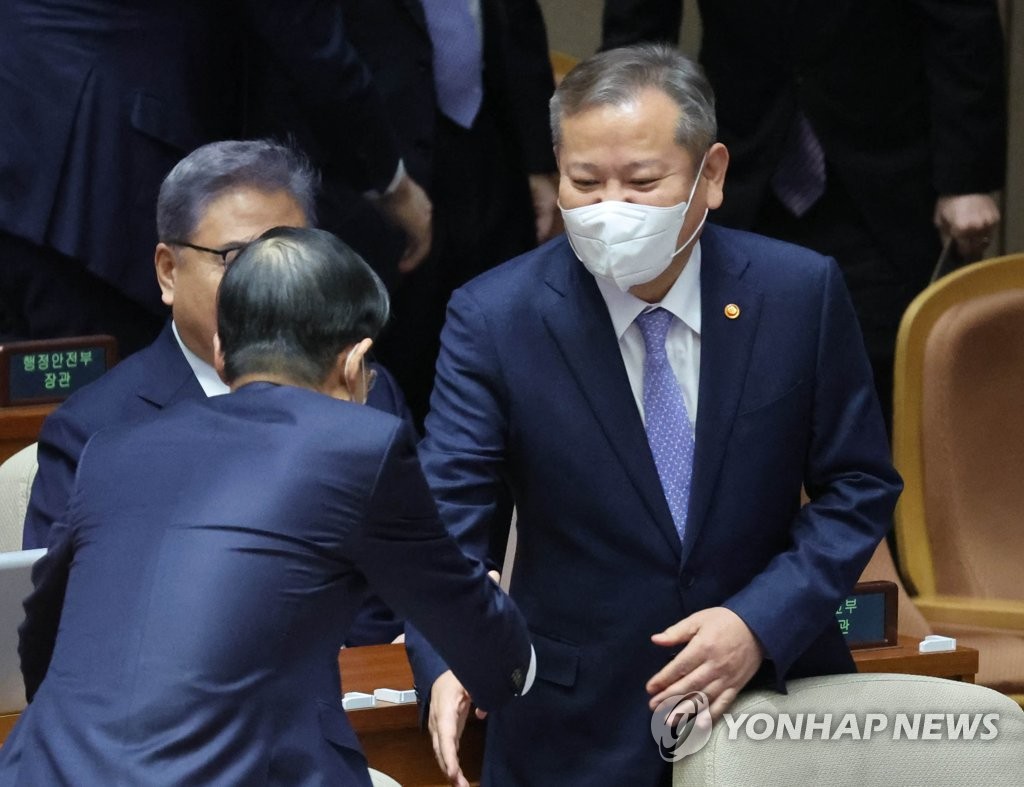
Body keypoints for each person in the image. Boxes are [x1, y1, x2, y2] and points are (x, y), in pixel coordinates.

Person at [407, 45, 902, 786]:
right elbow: (446, 522)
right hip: (573, 728)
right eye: (584, 181)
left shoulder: (798, 294)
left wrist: (759, 621)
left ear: (712, 175)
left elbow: (858, 484)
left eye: (641, 182)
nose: (610, 207)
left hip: (771, 710)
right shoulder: (494, 318)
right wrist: (451, 657)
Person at [0, 227, 534, 786]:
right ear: (356, 364)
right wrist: (509, 660)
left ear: (220, 352)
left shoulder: (112, 449)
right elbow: (464, 618)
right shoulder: (360, 446)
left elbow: (41, 636)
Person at [601, 0, 1007, 434]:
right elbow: (637, 29)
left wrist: (966, 178)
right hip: (739, 162)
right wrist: (621, 168)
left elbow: (962, 24)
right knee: (731, 381)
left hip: (882, 167)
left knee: (875, 387)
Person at [0, 0, 431, 356]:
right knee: (91, 424)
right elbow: (306, 39)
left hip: (37, 144)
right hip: (94, 173)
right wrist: (391, 184)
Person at [245, 0, 560, 425]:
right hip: (363, 163)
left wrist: (538, 155)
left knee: (499, 369)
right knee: (382, 384)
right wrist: (388, 182)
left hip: (489, 143)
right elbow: (308, 41)